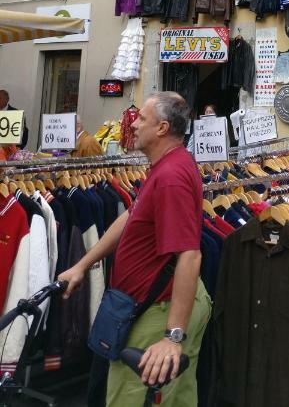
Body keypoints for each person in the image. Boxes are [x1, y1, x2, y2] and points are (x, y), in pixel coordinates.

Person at [59, 92, 211, 406]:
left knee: (130, 396)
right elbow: (131, 216)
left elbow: (190, 254)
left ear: (162, 128)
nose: (133, 123)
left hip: (157, 310)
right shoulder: (166, 166)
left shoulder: (170, 176)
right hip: (156, 304)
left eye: (142, 118)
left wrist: (172, 336)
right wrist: (82, 265)